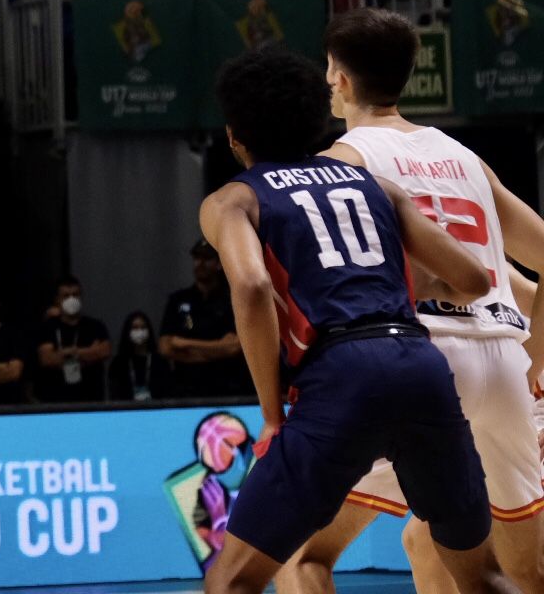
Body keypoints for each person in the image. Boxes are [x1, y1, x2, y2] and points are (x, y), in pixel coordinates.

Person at [196, 44, 517, 594]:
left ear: (233, 137)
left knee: (232, 582)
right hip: (420, 367)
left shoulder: (233, 200)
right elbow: (473, 279)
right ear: (316, 122)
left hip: (339, 376)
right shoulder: (377, 187)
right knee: (483, 577)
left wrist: (272, 415)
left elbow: (250, 285)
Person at [280, 11, 544, 594]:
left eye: (330, 72)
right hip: (502, 365)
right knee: (507, 569)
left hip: (414, 361)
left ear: (340, 80)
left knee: (302, 552)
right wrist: (533, 362)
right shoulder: (467, 160)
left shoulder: (342, 163)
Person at [159, 240, 251, 398]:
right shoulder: (178, 300)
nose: (200, 264)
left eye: (206, 259)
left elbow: (235, 347)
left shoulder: (234, 300)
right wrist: (217, 348)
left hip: (228, 390)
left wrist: (185, 343)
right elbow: (166, 347)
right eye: (196, 258)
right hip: (186, 390)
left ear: (219, 263)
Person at [34, 276, 111, 403]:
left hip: (91, 400)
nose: (71, 299)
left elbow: (104, 351)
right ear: (57, 300)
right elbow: (47, 359)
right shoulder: (48, 327)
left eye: (75, 294)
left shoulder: (95, 326)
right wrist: (88, 354)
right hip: (56, 402)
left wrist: (70, 353)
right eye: (66, 296)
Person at [107, 311, 168, 402]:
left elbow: (166, 392)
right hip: (127, 412)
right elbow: (115, 395)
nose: (139, 331)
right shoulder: (118, 363)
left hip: (156, 412)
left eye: (143, 327)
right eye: (135, 328)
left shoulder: (159, 361)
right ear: (128, 332)